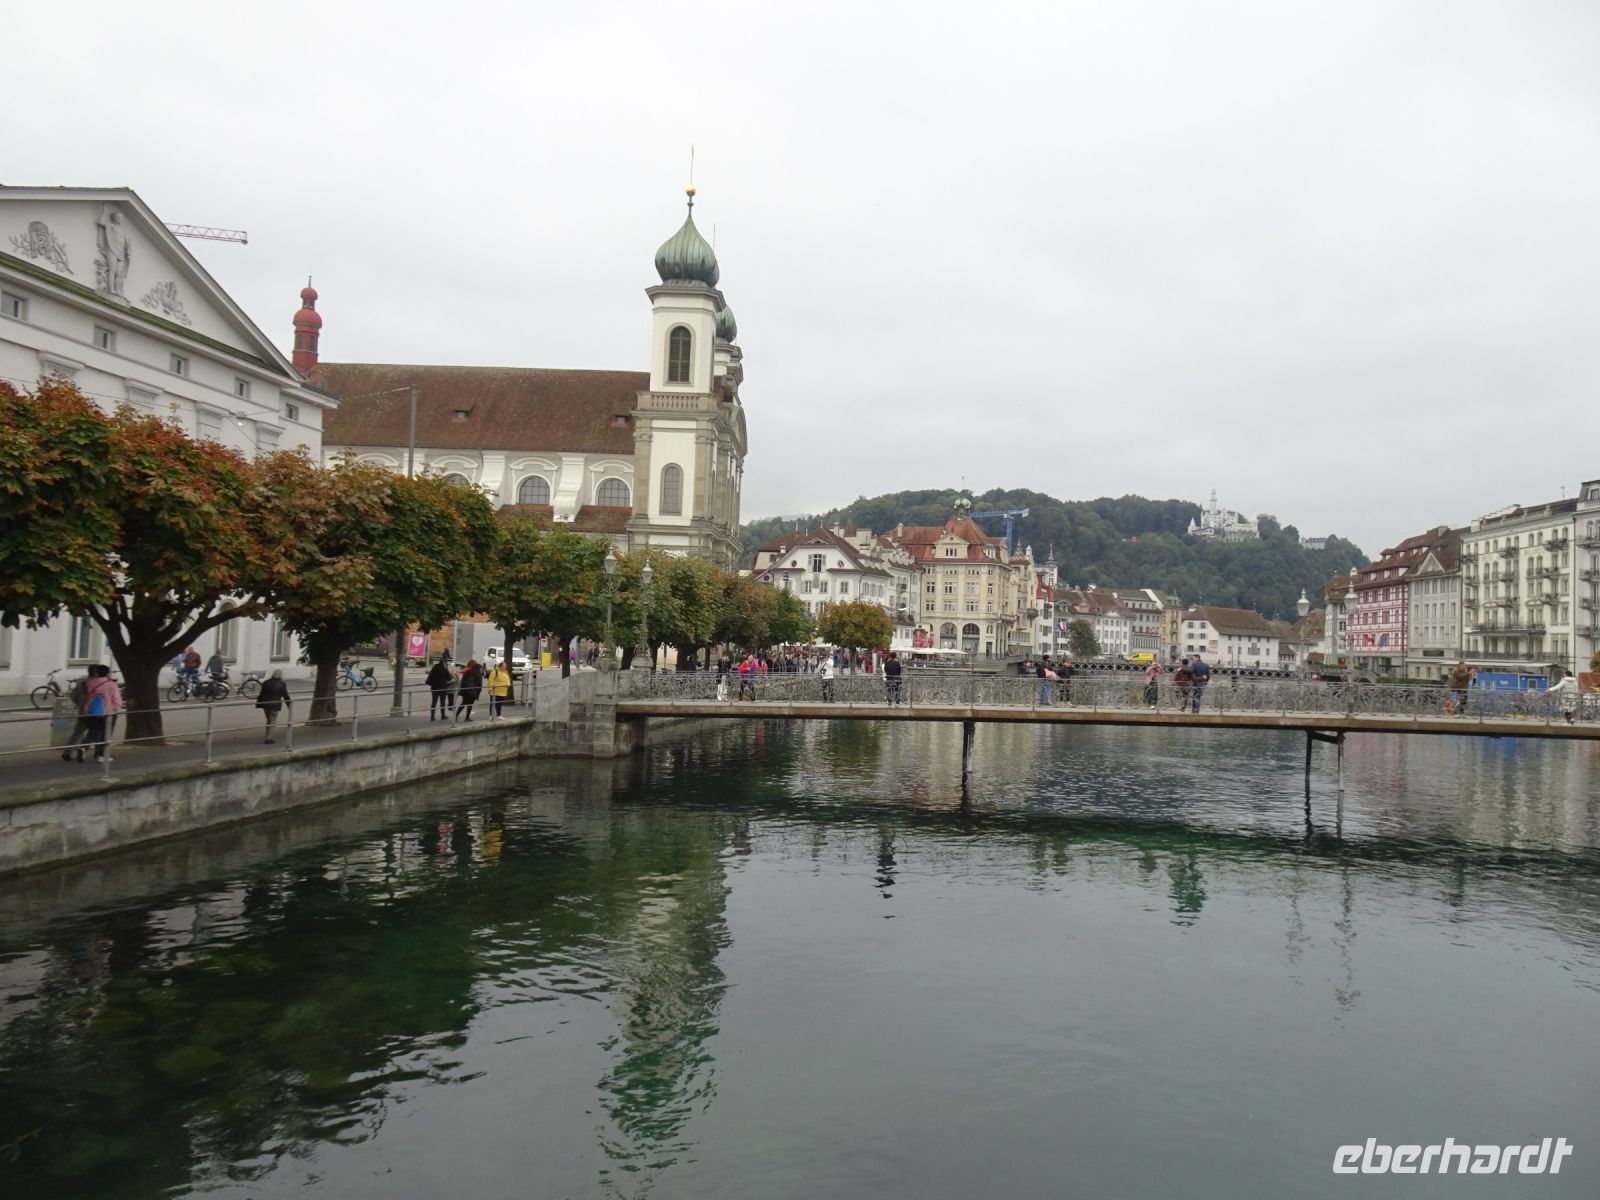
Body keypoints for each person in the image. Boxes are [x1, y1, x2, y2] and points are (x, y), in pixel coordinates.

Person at [81, 664, 121, 761]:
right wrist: (116, 708)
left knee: (95, 732)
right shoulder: (111, 684)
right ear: (107, 673)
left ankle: (84, 747)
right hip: (107, 711)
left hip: (91, 710)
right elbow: (116, 698)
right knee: (106, 734)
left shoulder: (90, 683)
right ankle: (100, 755)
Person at [61, 670, 94, 763]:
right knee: (94, 732)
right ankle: (84, 748)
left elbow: (73, 697)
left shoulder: (80, 683)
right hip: (95, 712)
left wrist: (81, 704)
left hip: (82, 712)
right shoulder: (97, 683)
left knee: (77, 733)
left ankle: (67, 752)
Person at [255, 669, 291, 743]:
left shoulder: (266, 682)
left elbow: (261, 694)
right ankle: (269, 738)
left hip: (265, 704)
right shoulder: (282, 683)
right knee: (272, 720)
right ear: (281, 675)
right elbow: (285, 695)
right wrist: (289, 705)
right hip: (275, 704)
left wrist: (259, 703)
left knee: (269, 720)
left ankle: (268, 736)